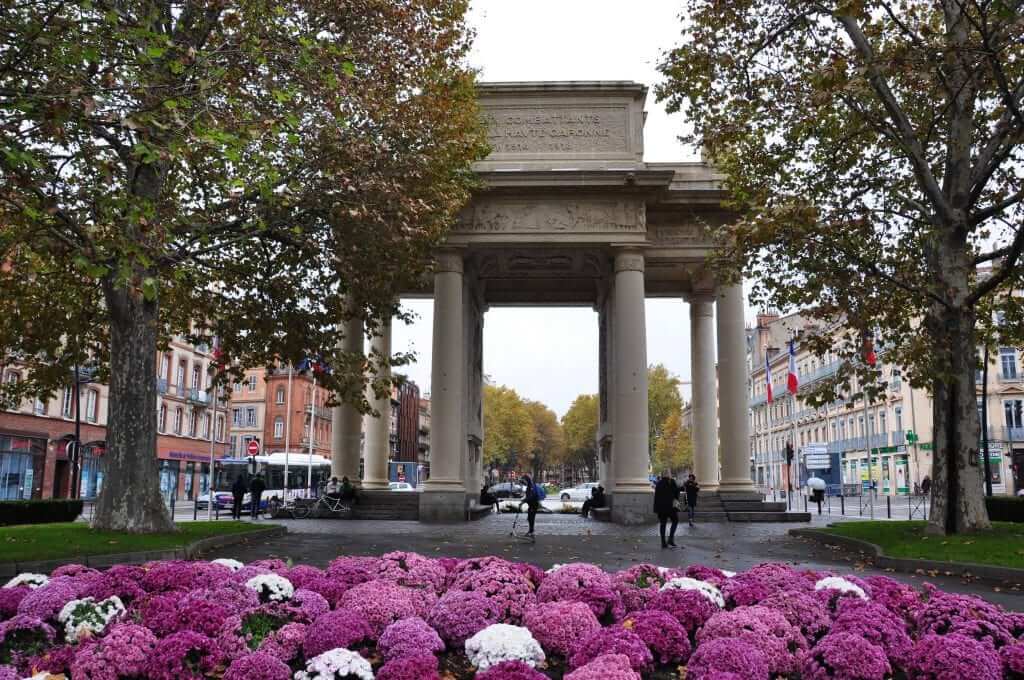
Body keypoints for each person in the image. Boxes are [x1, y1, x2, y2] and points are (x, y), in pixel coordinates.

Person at [653, 471, 681, 549]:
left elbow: (656, 498)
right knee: (675, 521)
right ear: (669, 475)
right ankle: (670, 538)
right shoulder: (671, 482)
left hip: (661, 508)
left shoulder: (658, 483)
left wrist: (656, 509)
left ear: (662, 475)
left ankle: (663, 542)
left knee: (663, 524)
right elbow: (677, 493)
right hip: (671, 507)